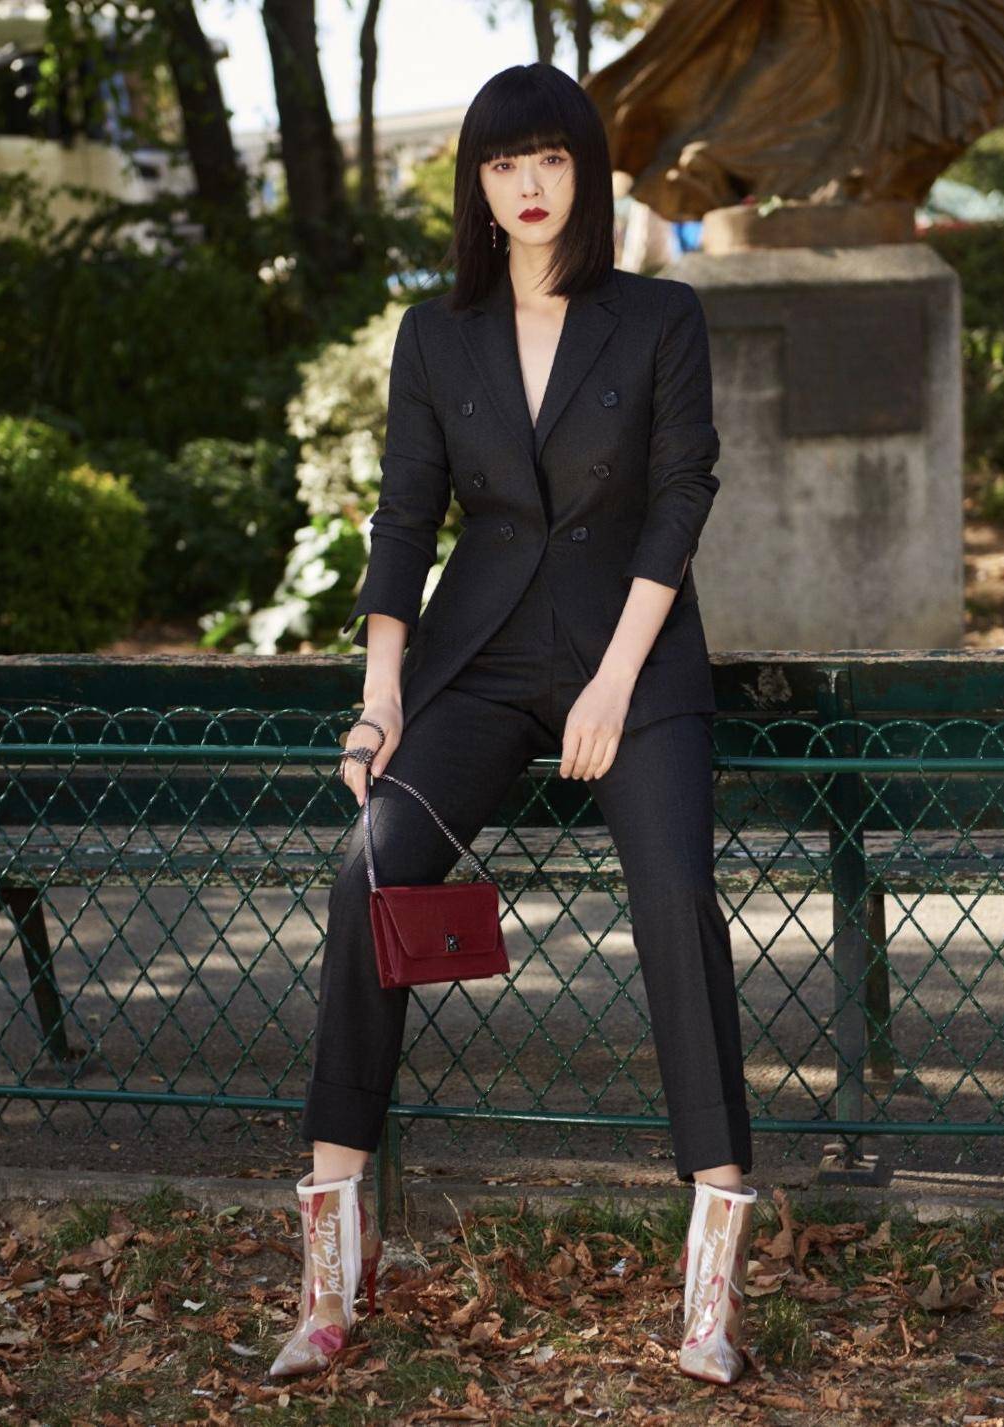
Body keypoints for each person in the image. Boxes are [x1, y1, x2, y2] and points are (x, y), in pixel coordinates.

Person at [269, 61, 757, 1386]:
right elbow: (404, 516)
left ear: (584, 171)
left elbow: (682, 494)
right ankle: (331, 1276)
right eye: (502, 163)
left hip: (629, 657)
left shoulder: (659, 315)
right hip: (475, 660)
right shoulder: (437, 335)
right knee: (371, 872)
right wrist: (381, 698)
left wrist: (613, 681)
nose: (528, 185)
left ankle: (712, 1291)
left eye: (549, 158)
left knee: (677, 896)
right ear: (476, 186)